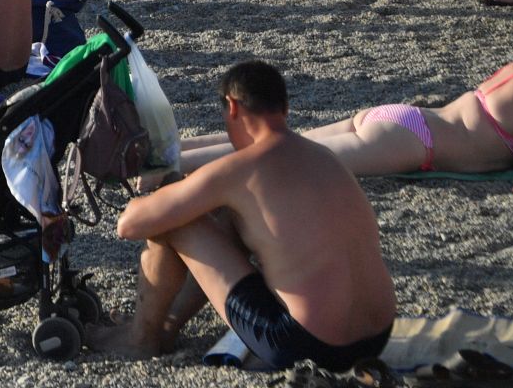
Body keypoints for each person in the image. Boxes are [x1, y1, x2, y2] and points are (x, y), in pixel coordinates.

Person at [105, 61, 395, 372]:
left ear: (232, 107)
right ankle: (166, 326)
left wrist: (156, 189)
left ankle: (140, 338)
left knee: (173, 214)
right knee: (227, 213)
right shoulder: (325, 157)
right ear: (284, 107)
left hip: (305, 345)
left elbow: (130, 226)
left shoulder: (239, 169)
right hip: (378, 336)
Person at [180, 19, 513, 178]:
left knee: (283, 140)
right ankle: (170, 167)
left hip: (402, 121)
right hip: (412, 142)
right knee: (284, 156)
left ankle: (168, 151)